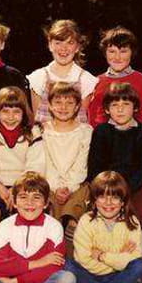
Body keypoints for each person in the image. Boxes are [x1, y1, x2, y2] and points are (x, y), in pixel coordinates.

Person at [59, 171, 142, 283]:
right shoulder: (86, 221)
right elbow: (83, 260)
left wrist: (102, 256)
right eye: (102, 197)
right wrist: (119, 259)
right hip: (92, 279)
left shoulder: (132, 222)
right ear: (94, 200)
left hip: (119, 278)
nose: (108, 203)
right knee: (66, 264)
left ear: (123, 201)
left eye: (115, 197)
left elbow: (134, 258)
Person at [0, 86, 45, 249]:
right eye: (5, 111)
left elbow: (35, 165)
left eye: (16, 112)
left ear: (24, 113)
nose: (10, 117)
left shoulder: (33, 131)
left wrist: (16, 190)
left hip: (24, 186)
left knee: (27, 210)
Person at [87, 82, 142, 225]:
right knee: (95, 214)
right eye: (114, 105)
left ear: (135, 107)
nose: (120, 109)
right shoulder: (101, 131)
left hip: (135, 187)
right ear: (107, 109)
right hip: (105, 187)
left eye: (126, 104)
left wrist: (123, 192)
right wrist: (109, 191)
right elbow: (95, 168)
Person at [42, 82, 92, 249]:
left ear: (77, 106)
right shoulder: (41, 130)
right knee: (48, 203)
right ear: (50, 105)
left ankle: (71, 239)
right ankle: (52, 242)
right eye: (58, 102)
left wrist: (68, 187)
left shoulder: (85, 131)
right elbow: (45, 162)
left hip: (76, 184)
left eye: (69, 103)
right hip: (50, 183)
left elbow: (81, 164)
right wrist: (56, 187)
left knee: (79, 200)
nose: (63, 107)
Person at [27, 19, 97, 123]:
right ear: (50, 45)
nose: (63, 48)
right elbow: (36, 120)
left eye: (70, 43)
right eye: (58, 43)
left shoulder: (86, 80)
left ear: (77, 47)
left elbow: (81, 120)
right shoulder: (38, 77)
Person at [88, 26, 142, 127]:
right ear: (105, 53)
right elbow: (92, 121)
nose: (117, 57)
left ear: (132, 53)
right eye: (112, 51)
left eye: (123, 51)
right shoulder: (96, 82)